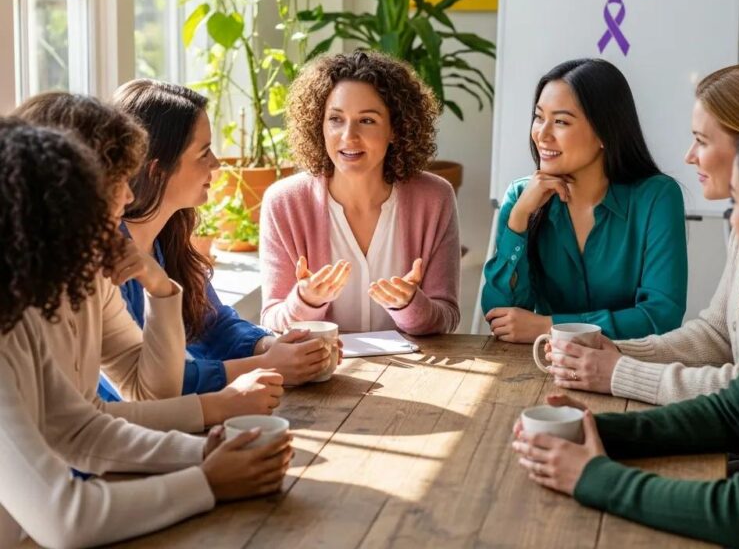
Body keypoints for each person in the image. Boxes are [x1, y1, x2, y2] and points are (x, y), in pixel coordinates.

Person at [512, 109, 739, 549]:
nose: (732, 220)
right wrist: (597, 429)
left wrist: (592, 476)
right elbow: (733, 412)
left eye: (737, 201)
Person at [0, 118, 293, 548]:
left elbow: (80, 429)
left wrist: (202, 453)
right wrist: (207, 482)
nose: (128, 197)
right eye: (103, 191)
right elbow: (65, 520)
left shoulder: (21, 311)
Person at [15, 92, 285, 433]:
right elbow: (82, 427)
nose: (128, 195)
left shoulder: (114, 260)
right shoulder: (37, 292)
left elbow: (149, 393)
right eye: (116, 179)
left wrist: (161, 289)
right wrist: (220, 408)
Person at [546, 64, 739, 403]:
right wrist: (617, 351)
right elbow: (717, 335)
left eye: (701, 141)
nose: (689, 156)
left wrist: (618, 372)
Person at [113, 79, 333, 395]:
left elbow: (214, 325)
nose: (216, 163)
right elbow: (144, 386)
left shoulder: (168, 237)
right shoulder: (109, 261)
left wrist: (274, 346)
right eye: (204, 152)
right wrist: (268, 365)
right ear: (157, 169)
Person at [482, 58, 687, 342]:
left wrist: (550, 327)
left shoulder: (657, 198)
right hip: (543, 364)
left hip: (629, 364)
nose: (542, 134)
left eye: (561, 122)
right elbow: (500, 316)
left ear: (605, 132)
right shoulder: (521, 197)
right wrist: (518, 221)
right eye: (539, 117)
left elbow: (661, 317)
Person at [260, 50, 461, 335]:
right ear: (319, 124)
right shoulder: (284, 202)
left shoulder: (435, 198)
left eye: (367, 120)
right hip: (324, 362)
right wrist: (306, 300)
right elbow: (271, 319)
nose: (348, 136)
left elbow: (448, 317)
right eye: (335, 119)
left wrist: (410, 305)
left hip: (412, 365)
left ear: (395, 129)